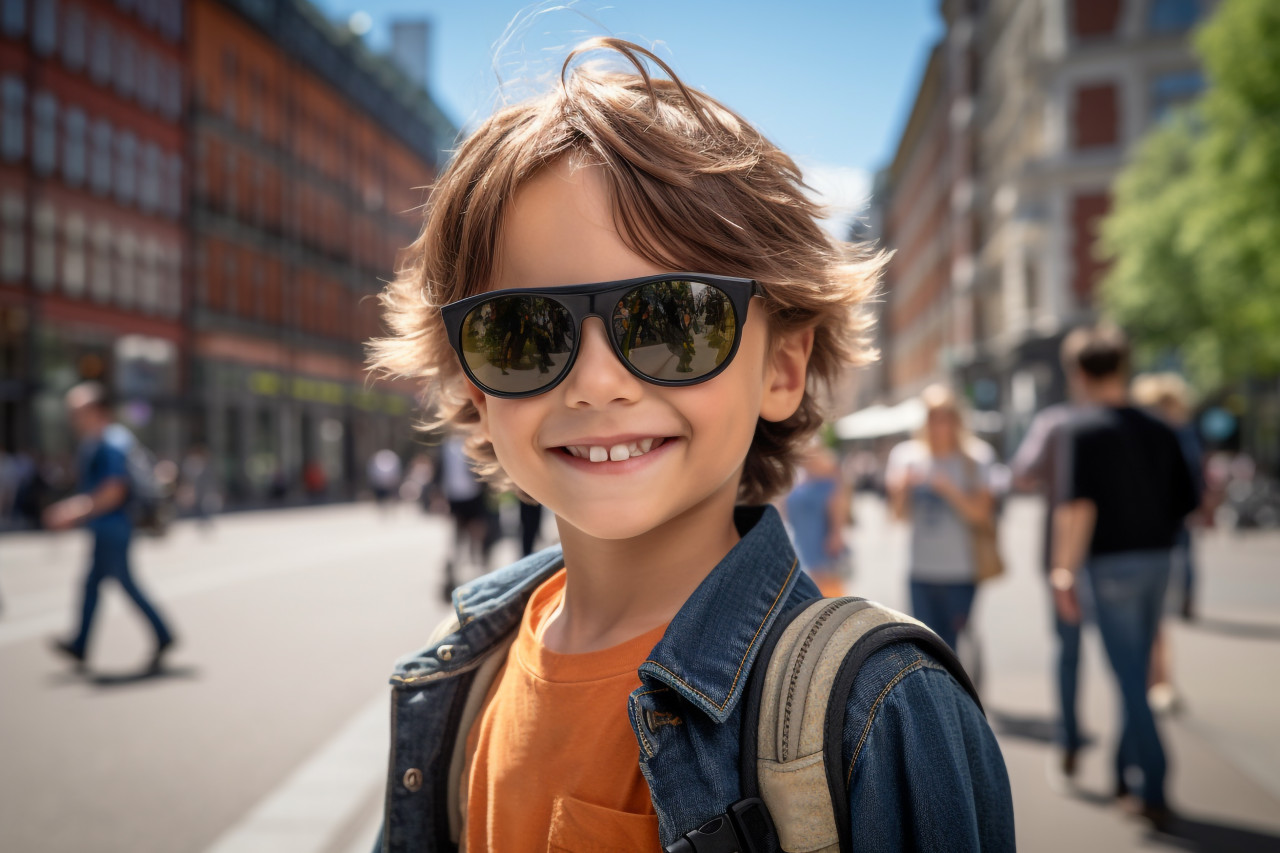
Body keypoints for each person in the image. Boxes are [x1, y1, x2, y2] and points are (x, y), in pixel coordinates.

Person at [365, 39, 1013, 851]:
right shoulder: (460, 674)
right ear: (471, 383)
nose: (597, 383)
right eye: (523, 332)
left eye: (674, 320)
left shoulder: (878, 710)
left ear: (782, 367)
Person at [1050, 326, 1199, 829]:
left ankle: (1154, 779)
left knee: (1130, 676)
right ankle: (1122, 773)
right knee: (1135, 669)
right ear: (1123, 366)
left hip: (1110, 566)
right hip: (1159, 562)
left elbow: (1077, 509)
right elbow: (1187, 502)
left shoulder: (1081, 428)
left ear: (1078, 372)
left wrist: (1063, 573)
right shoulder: (1161, 427)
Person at [45, 382, 175, 673]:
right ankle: (81, 644)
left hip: (114, 527)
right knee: (94, 584)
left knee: (123, 583)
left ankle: (163, 634)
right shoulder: (98, 441)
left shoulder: (112, 443)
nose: (73, 418)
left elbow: (114, 491)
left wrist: (73, 510)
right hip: (105, 526)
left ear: (97, 410)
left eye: (78, 411)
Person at [1010, 336, 1090, 782]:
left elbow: (1023, 473)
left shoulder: (1055, 423)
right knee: (1130, 663)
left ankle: (1070, 743)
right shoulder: (1141, 420)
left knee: (1069, 652)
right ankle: (1136, 767)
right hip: (1129, 556)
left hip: (1065, 555)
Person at [886, 384, 997, 654]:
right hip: (920, 571)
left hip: (961, 572)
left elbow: (981, 514)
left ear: (957, 419)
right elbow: (897, 517)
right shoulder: (906, 456)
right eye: (932, 417)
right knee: (925, 649)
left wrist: (949, 490)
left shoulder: (976, 457)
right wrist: (901, 491)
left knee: (953, 650)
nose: (938, 425)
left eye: (945, 416)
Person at [1132, 372, 1204, 714]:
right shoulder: (1179, 434)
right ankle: (1158, 682)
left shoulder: (1166, 436)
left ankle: (1157, 682)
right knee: (1154, 616)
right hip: (1166, 533)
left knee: (1153, 617)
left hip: (1157, 535)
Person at [783, 441, 852, 597]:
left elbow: (838, 502)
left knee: (825, 583)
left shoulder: (828, 471)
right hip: (801, 534)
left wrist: (836, 533)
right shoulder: (798, 473)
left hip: (819, 534)